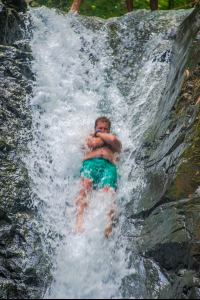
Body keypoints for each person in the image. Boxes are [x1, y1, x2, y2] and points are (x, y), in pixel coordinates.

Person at [75, 116, 122, 238]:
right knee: (85, 184)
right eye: (100, 128)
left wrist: (98, 134)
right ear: (95, 128)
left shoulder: (114, 143)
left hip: (108, 167)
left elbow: (112, 139)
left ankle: (107, 227)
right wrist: (101, 137)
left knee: (109, 192)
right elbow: (93, 143)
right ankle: (79, 222)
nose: (103, 130)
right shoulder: (89, 138)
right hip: (90, 163)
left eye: (105, 129)